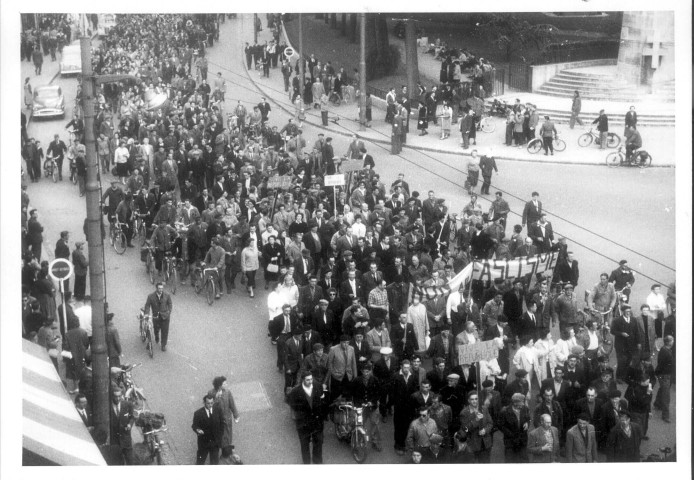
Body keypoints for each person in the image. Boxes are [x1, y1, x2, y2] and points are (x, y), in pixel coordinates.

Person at [287, 371, 326, 464]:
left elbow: (323, 401)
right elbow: (290, 402)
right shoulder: (296, 391)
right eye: (308, 380)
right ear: (303, 380)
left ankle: (317, 462)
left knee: (318, 443)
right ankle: (307, 464)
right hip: (303, 423)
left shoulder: (317, 386)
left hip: (317, 422)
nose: (310, 381)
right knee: (304, 445)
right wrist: (299, 412)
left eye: (311, 379)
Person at [208, 376, 240, 459]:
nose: (226, 384)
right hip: (217, 421)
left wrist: (236, 415)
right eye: (224, 383)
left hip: (227, 419)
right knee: (220, 437)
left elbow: (232, 404)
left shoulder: (227, 392)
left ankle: (226, 453)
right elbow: (209, 407)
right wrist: (216, 398)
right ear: (219, 386)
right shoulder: (211, 393)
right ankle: (221, 453)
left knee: (227, 436)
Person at [459, 391, 494, 463]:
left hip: (485, 443)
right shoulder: (464, 413)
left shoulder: (484, 408)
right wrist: (476, 420)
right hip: (472, 445)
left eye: (476, 399)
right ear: (468, 400)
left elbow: (490, 423)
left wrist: (485, 430)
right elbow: (465, 430)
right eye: (472, 399)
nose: (475, 401)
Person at [498, 393, 531, 463]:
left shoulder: (525, 409)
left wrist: (527, 423)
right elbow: (500, 425)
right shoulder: (505, 411)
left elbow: (528, 419)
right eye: (522, 402)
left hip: (522, 441)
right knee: (511, 461)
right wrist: (510, 434)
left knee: (524, 461)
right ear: (515, 402)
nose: (523, 404)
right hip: (510, 442)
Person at [191, 394, 223, 465]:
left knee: (214, 463)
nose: (210, 405)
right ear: (204, 403)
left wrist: (219, 439)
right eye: (208, 403)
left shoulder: (218, 410)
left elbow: (222, 425)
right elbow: (194, 425)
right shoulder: (198, 413)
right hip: (203, 443)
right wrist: (198, 430)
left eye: (212, 403)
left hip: (215, 443)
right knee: (200, 462)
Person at [610, 305, 638, 382]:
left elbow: (636, 331)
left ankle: (625, 376)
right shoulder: (617, 320)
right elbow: (612, 331)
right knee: (621, 361)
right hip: (620, 345)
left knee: (628, 360)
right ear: (623, 312)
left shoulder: (634, 320)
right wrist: (621, 333)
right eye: (627, 311)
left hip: (631, 345)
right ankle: (619, 377)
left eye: (630, 311)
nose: (629, 313)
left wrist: (638, 343)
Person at [143, 282, 173, 351]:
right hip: (156, 317)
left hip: (165, 316)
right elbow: (147, 305)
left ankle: (163, 345)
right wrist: (147, 313)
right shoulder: (150, 296)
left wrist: (169, 312)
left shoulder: (167, 295)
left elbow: (170, 304)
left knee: (165, 331)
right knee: (156, 329)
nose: (161, 290)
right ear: (156, 288)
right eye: (159, 288)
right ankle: (156, 336)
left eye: (162, 288)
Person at [109, 387, 135, 465]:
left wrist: (130, 424)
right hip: (114, 441)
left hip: (126, 439)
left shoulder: (127, 404)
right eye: (115, 396)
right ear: (112, 396)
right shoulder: (108, 407)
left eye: (119, 396)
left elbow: (132, 417)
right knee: (118, 463)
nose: (118, 398)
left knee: (130, 461)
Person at [653, 335, 674, 423]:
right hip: (665, 375)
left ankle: (657, 403)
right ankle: (665, 415)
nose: (673, 342)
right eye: (672, 340)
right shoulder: (666, 352)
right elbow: (662, 364)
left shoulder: (664, 349)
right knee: (666, 396)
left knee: (662, 389)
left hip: (664, 375)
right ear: (669, 342)